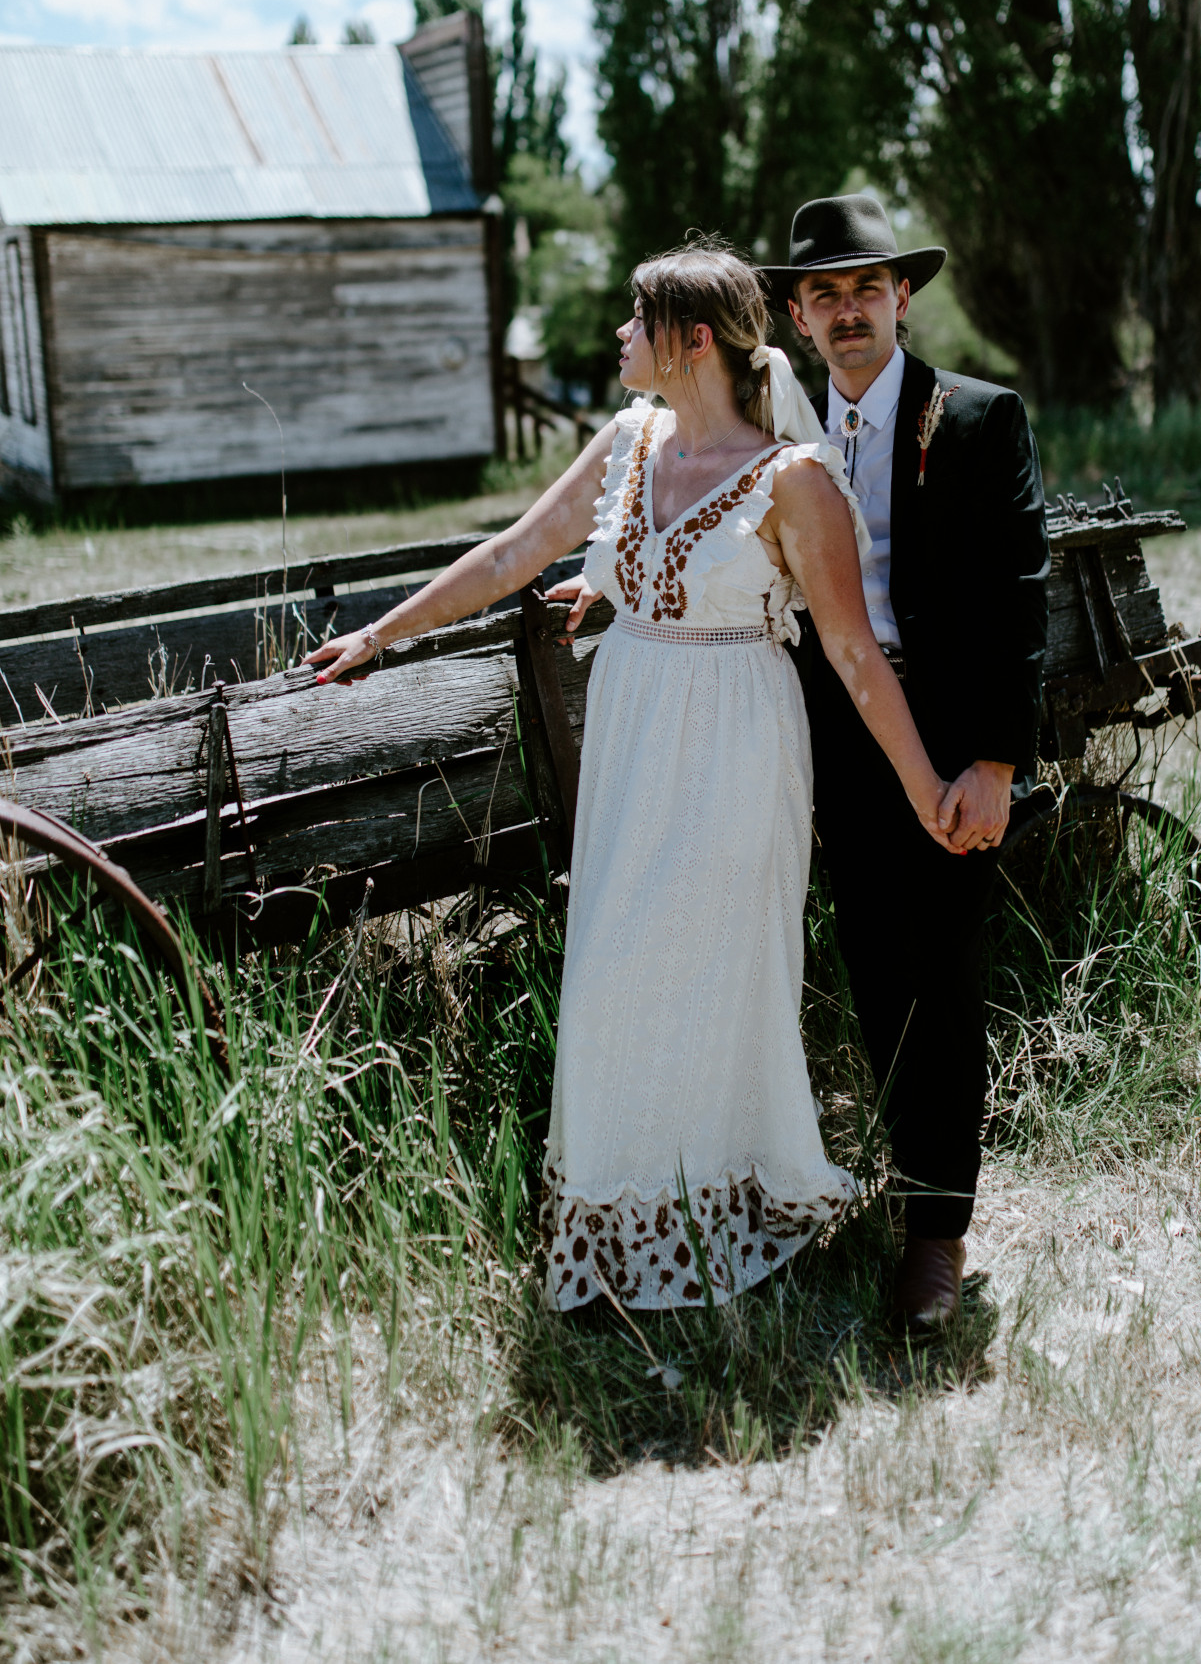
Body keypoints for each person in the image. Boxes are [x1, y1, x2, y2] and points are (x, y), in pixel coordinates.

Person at [304, 244, 956, 1310]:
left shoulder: (791, 483)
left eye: (633, 318)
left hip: (738, 743)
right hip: (631, 736)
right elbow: (510, 555)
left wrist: (924, 787)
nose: (615, 337)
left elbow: (848, 652)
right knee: (612, 971)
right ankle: (619, 1226)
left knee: (710, 979)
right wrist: (379, 633)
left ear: (690, 338)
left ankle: (716, 1210)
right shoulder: (627, 442)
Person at [771, 194, 1050, 1326]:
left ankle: (936, 1238)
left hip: (942, 735)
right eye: (823, 294)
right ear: (796, 316)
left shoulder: (976, 420)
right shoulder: (777, 439)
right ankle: (882, 1187)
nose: (847, 312)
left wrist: (994, 761)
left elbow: (1017, 601)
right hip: (824, 736)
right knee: (874, 973)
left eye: (864, 289)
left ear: (901, 297)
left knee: (942, 977)